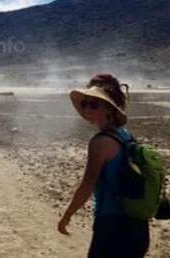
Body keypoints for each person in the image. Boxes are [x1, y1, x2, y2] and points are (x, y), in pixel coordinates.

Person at [58, 74, 149, 258]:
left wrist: (66, 216)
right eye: (85, 103)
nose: (87, 109)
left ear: (109, 108)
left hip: (112, 227)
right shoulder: (126, 136)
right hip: (138, 224)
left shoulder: (100, 143)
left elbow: (87, 185)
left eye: (93, 104)